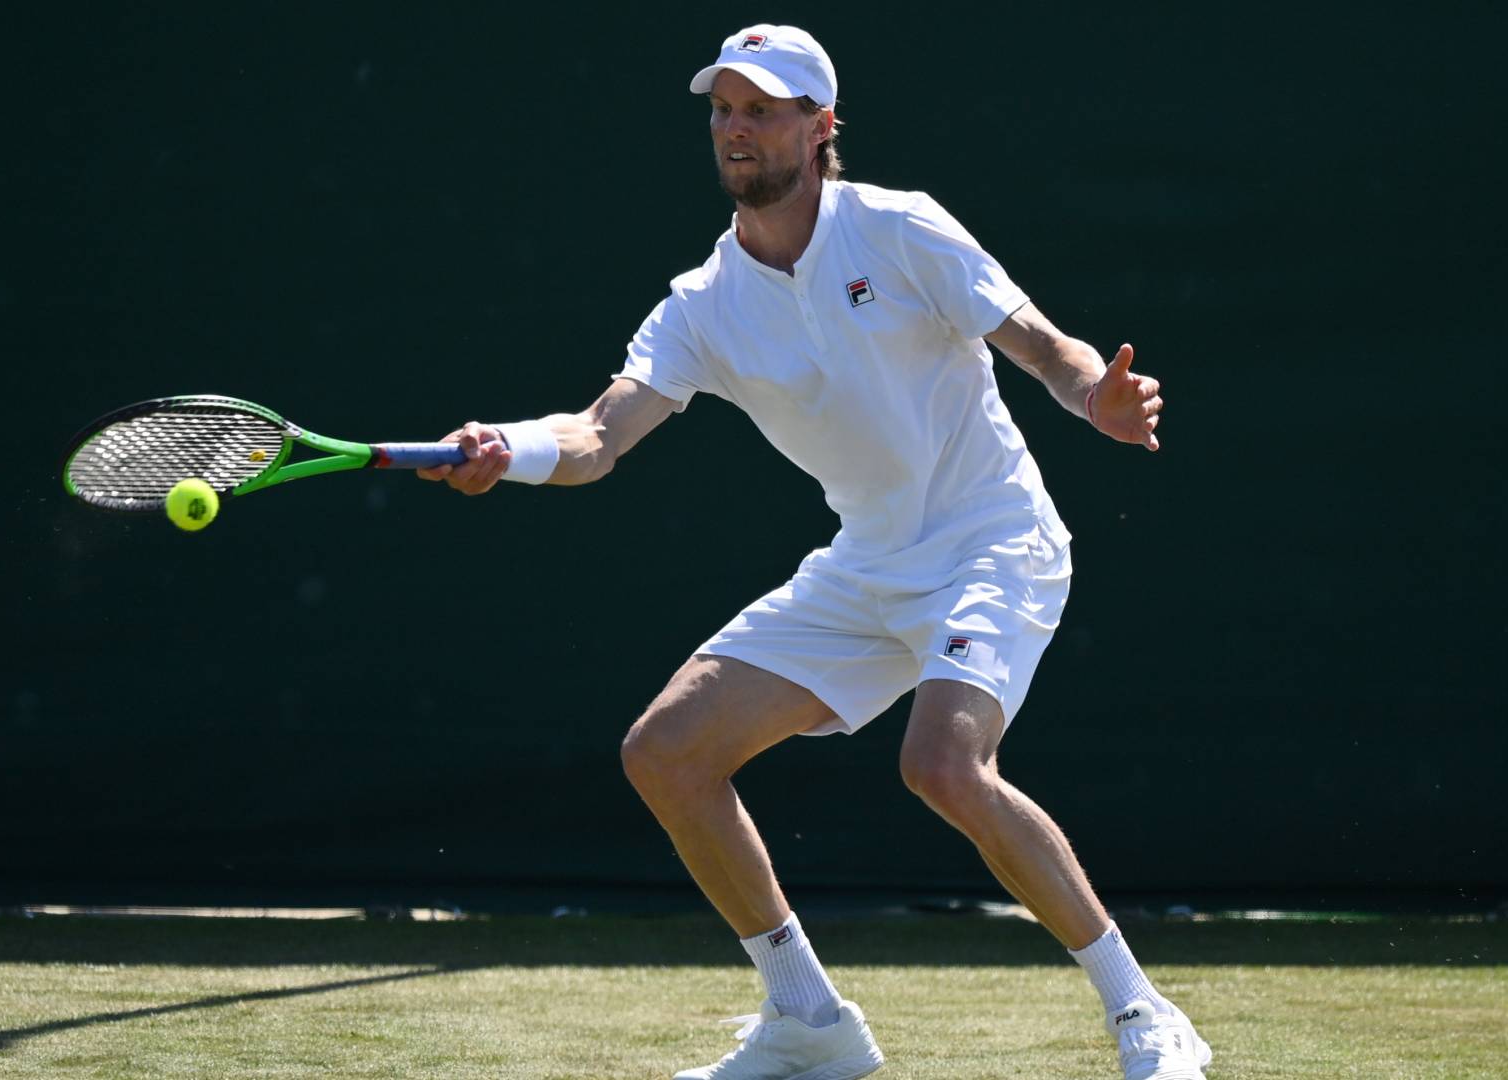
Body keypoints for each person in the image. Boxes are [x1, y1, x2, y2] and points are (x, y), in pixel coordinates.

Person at [417, 23, 1209, 1080]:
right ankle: (809, 1022)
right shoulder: (701, 304)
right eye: (722, 111)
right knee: (667, 753)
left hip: (992, 540)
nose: (736, 131)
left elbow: (1045, 349)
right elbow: (598, 438)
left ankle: (1141, 1009)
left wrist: (1093, 399)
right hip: (868, 564)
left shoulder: (901, 229)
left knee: (942, 765)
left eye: (761, 110)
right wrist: (507, 450)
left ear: (819, 127)